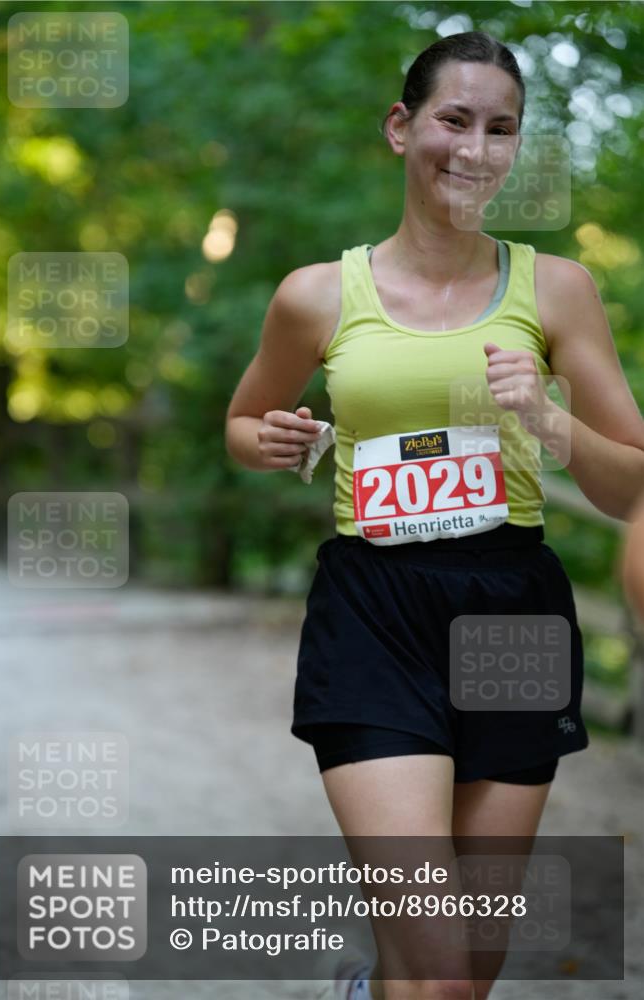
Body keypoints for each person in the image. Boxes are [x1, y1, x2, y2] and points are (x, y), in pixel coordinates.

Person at [225, 30, 644, 1000]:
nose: (475, 149)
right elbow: (243, 423)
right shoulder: (316, 296)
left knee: (464, 978)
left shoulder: (558, 290)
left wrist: (548, 419)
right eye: (454, 120)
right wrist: (272, 439)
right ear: (399, 127)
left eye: (501, 129)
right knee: (439, 976)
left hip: (511, 612)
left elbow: (631, 489)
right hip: (373, 611)